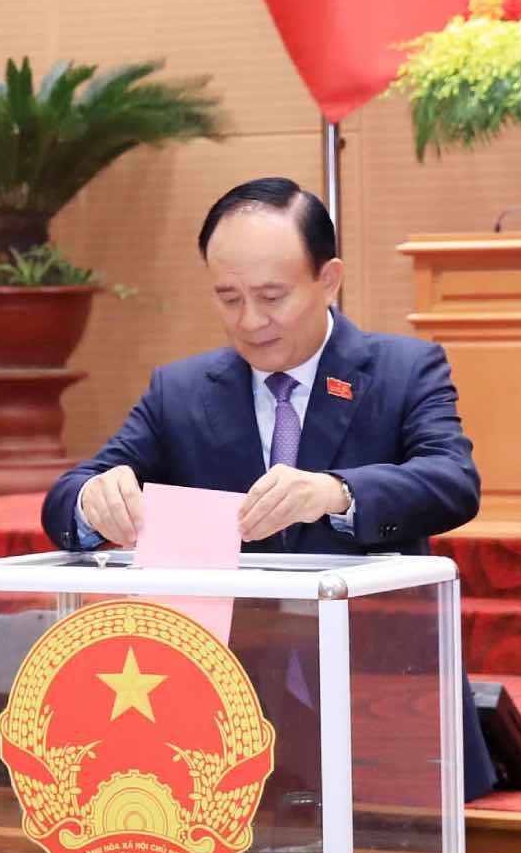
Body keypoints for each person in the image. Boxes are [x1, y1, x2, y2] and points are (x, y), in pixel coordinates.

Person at [43, 177, 497, 801]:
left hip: (380, 706)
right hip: (225, 723)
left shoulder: (402, 370)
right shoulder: (180, 392)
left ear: (328, 279)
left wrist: (338, 492)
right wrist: (93, 501)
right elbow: (68, 497)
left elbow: (452, 482)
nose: (250, 322)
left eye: (272, 296)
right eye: (228, 298)